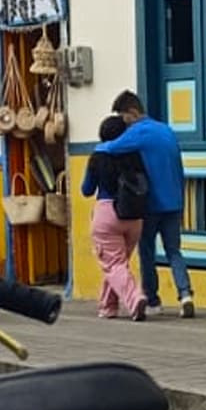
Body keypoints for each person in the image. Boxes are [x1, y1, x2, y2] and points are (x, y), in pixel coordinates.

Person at [95, 90, 193, 318]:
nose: (123, 123)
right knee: (174, 251)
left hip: (150, 205)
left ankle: (153, 300)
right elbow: (179, 168)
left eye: (124, 117)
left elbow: (110, 147)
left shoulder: (139, 132)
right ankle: (185, 294)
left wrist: (97, 151)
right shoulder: (167, 131)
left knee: (147, 252)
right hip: (174, 202)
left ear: (133, 112)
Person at [82, 117, 147, 321]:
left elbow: (87, 189)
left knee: (113, 265)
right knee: (119, 265)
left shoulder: (98, 156)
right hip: (134, 216)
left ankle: (134, 299)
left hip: (107, 214)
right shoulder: (135, 154)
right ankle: (108, 306)